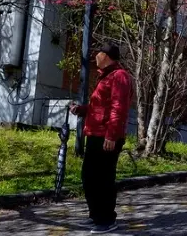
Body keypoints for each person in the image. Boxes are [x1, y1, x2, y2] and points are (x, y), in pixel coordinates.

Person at [69, 43, 132, 235]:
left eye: (99, 53)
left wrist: (112, 135)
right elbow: (99, 108)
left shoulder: (119, 76)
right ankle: (96, 216)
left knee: (103, 179)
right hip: (95, 134)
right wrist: (80, 110)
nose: (95, 56)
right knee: (89, 177)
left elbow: (118, 108)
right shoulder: (106, 77)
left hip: (107, 136)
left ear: (106, 56)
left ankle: (106, 220)